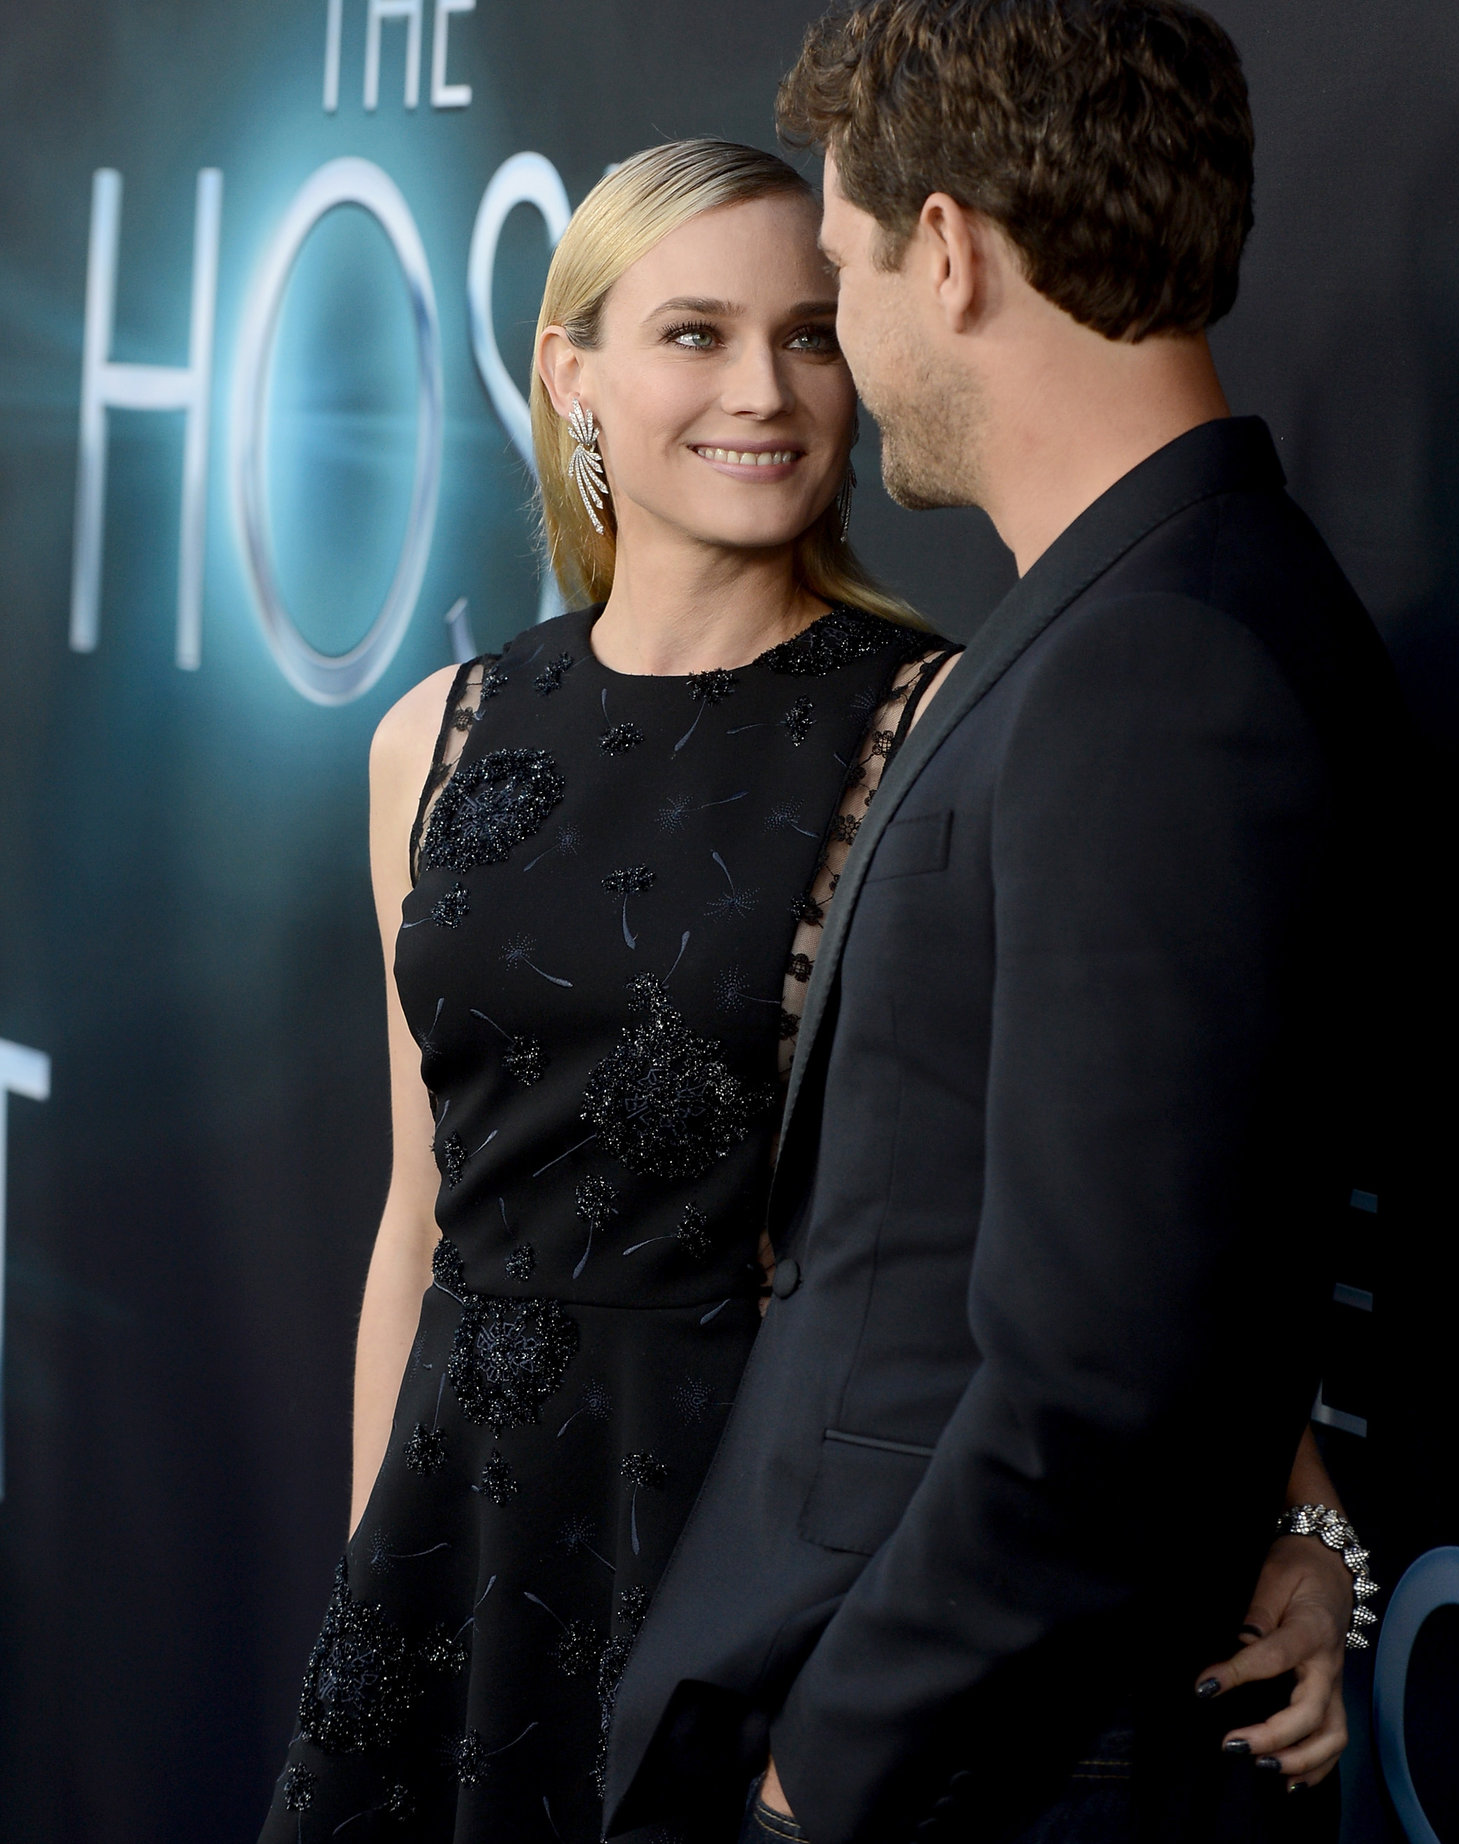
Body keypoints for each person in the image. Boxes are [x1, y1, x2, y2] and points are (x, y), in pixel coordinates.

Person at [259, 132, 1356, 1844]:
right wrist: (377, 1588)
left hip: (745, 1516)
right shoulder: (435, 735)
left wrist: (1300, 1512)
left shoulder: (938, 726)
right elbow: (422, 1218)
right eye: (693, 334)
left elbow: (1101, 1182)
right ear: (570, 374)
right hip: (460, 1524)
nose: (762, 390)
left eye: (811, 334)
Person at [603, 0, 1401, 1844]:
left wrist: (821, 1775)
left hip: (983, 1767)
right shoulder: (1158, 613)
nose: (842, 341)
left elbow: (1100, 1382)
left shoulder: (1158, 667)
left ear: (948, 254)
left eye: (846, 277)